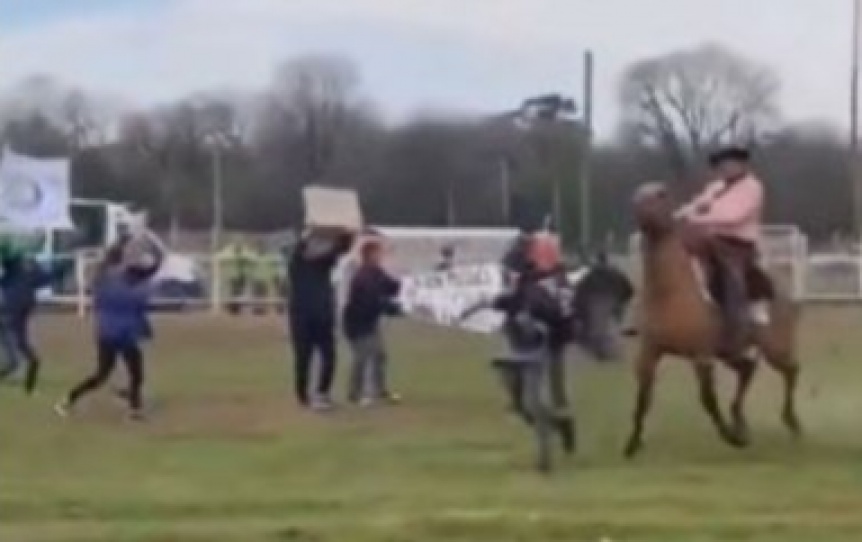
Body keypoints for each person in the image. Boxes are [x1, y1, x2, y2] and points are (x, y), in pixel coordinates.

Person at [55, 236, 163, 420]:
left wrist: (120, 244)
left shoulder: (106, 279)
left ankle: (67, 400)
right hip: (125, 335)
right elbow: (152, 271)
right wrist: (154, 248)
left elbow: (106, 265)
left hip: (106, 333)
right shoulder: (137, 287)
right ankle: (133, 409)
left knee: (101, 375)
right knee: (136, 373)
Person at [677, 146, 766, 353]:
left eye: (729, 164)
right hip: (712, 239)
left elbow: (734, 216)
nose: (724, 169)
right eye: (721, 165)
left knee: (733, 282)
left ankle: (740, 332)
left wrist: (698, 220)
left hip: (738, 245)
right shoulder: (716, 187)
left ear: (741, 165)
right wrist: (680, 214)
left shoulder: (752, 187)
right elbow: (697, 203)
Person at [287, 227, 355, 410]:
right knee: (303, 357)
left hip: (323, 315)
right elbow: (301, 249)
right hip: (301, 316)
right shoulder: (297, 263)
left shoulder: (323, 264)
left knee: (329, 355)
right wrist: (310, 233)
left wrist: (345, 234)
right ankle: (303, 395)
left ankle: (322, 393)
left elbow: (339, 250)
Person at [0, 250, 74, 393]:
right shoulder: (16, 276)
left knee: (20, 357)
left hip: (15, 320)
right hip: (10, 320)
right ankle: (28, 386)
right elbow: (50, 276)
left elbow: (49, 276)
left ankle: (28, 387)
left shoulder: (14, 277)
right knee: (15, 359)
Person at [342, 236, 401, 406]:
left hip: (370, 322)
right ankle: (355, 394)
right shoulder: (363, 276)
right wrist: (391, 308)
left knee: (380, 355)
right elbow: (372, 301)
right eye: (378, 253)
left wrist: (407, 286)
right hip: (357, 323)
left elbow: (392, 287)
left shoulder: (377, 272)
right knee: (362, 356)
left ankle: (380, 390)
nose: (381, 256)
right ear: (369, 255)